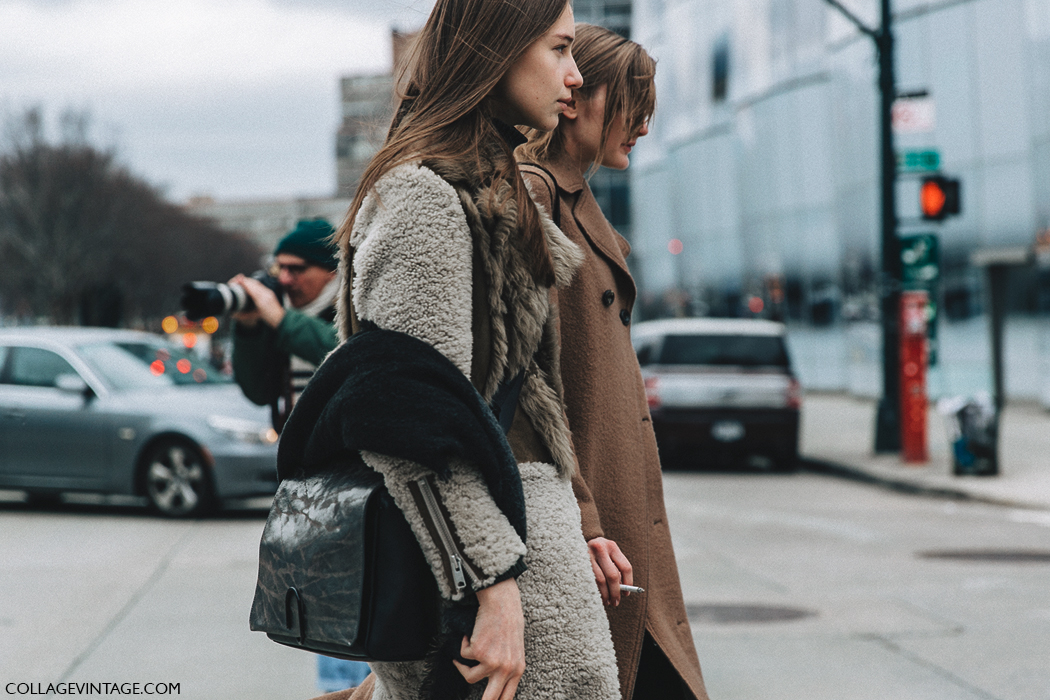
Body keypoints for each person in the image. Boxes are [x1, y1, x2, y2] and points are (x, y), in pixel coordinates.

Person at [294, 1, 622, 700]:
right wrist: (493, 587)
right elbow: (403, 422)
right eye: (559, 49)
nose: (574, 76)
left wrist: (573, 525)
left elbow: (524, 402)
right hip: (489, 570)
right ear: (498, 49)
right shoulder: (426, 197)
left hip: (525, 540)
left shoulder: (493, 189)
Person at [517, 24, 710, 700]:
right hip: (592, 535)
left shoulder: (575, 204)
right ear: (577, 97)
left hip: (618, 536)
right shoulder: (535, 197)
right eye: (634, 105)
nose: (645, 128)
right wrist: (583, 522)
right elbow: (523, 385)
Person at [229, 218, 340, 432]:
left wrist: (281, 319)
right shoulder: (280, 317)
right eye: (280, 268)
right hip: (301, 456)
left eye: (296, 269)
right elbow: (259, 393)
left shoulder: (352, 310)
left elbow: (338, 350)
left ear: (331, 271)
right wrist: (249, 329)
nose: (285, 280)